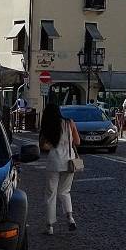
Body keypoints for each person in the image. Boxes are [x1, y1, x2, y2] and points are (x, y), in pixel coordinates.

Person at [39, 93, 81, 233]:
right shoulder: (69, 122)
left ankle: (50, 226)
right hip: (69, 161)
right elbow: (77, 142)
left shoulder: (48, 126)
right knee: (65, 191)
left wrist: (53, 145)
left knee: (51, 193)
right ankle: (70, 218)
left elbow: (43, 146)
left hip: (54, 161)